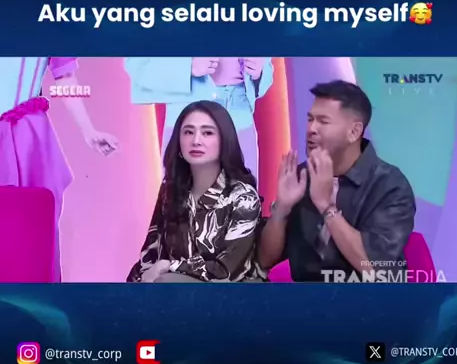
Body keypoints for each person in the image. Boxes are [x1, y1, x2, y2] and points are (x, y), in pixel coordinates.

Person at [258, 80, 416, 283]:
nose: (311, 129)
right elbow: (265, 260)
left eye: (323, 121)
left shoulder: (390, 186)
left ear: (354, 132)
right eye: (310, 119)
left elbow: (375, 268)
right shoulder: (301, 177)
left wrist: (326, 206)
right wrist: (282, 209)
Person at [0, 57, 119, 281]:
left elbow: (65, 76)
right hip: (25, 133)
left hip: (25, 139)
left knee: (28, 237)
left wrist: (88, 130)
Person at [127, 100, 266, 283]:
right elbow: (151, 252)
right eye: (188, 132)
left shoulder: (243, 197)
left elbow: (227, 270)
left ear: (225, 141)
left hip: (228, 290)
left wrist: (171, 266)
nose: (196, 141)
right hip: (174, 287)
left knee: (165, 283)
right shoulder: (170, 190)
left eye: (207, 133)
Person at [124, 57, 273, 180]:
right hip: (188, 121)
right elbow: (137, 63)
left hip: (240, 120)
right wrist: (188, 66)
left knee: (244, 204)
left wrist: (259, 73)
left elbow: (266, 71)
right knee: (182, 203)